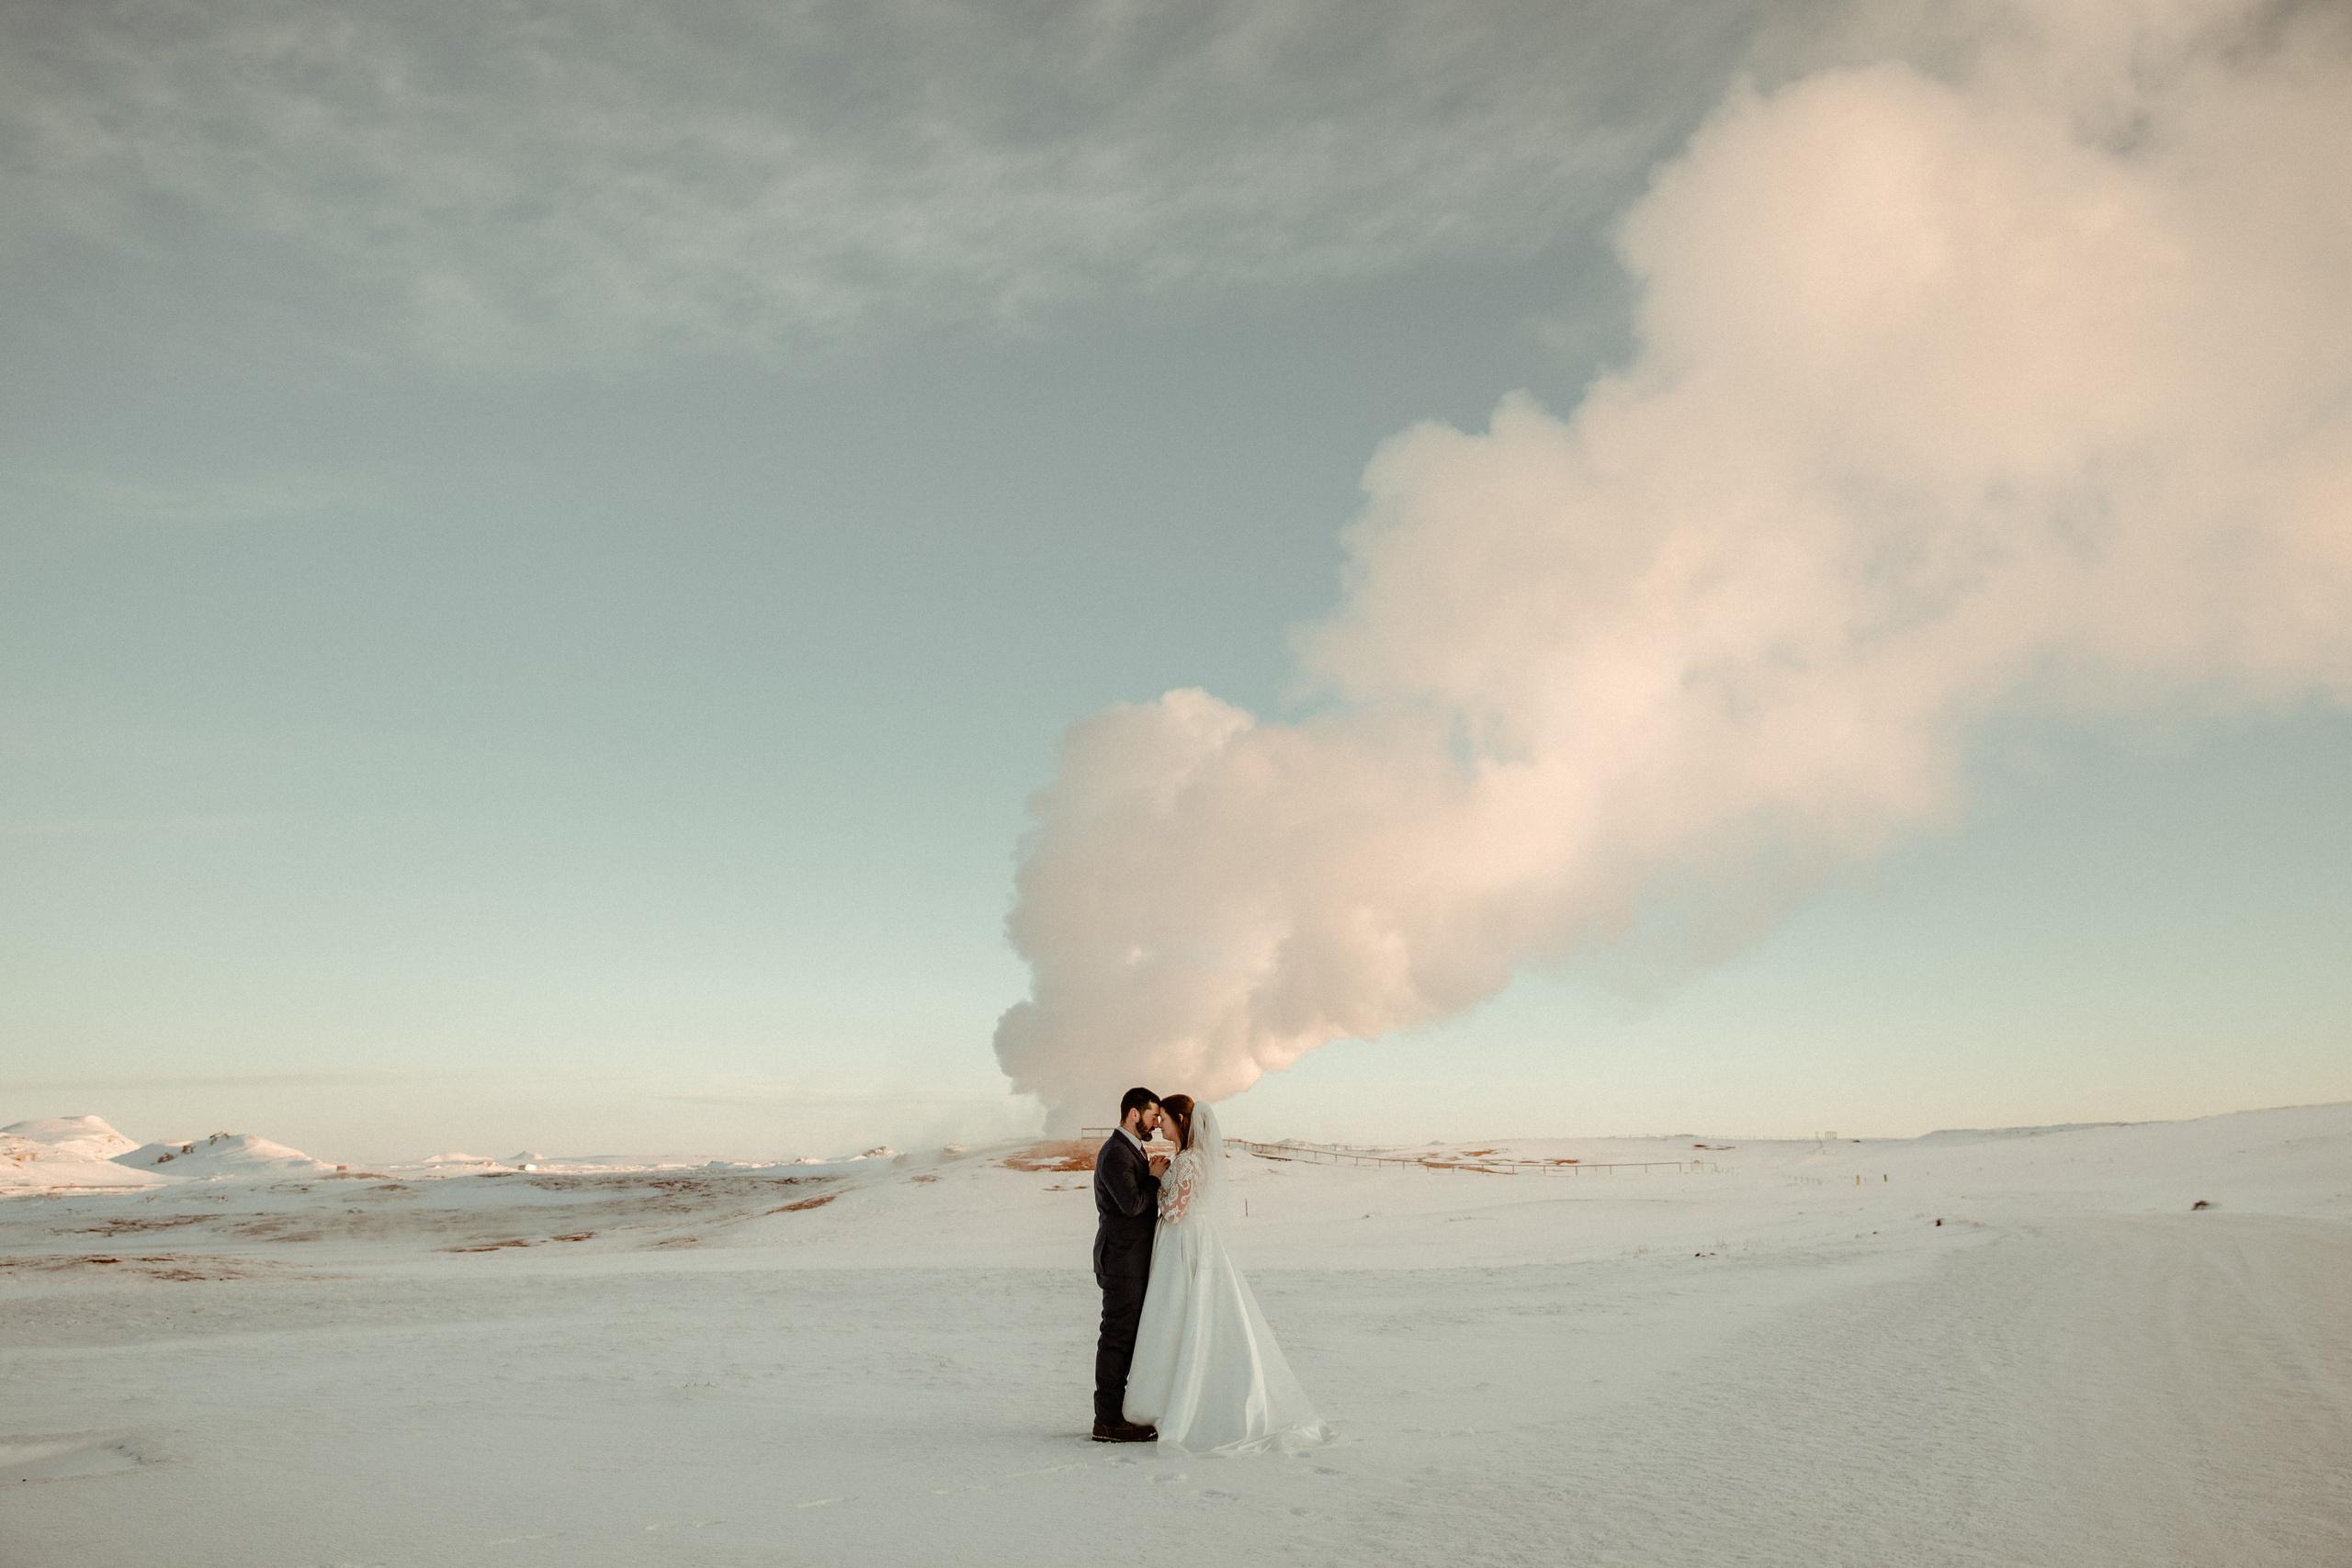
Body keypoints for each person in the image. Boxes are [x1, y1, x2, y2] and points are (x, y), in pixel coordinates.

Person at [1121, 1094, 1330, 1453]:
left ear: (1181, 1123)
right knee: (1177, 1317)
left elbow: (1173, 1210)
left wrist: (1156, 1180)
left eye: (1166, 1119)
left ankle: (1177, 1402)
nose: (1160, 1125)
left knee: (1178, 1315)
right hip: (1184, 1240)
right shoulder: (1184, 1158)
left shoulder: (1188, 1161)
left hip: (1186, 1240)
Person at [1090, 1087, 1169, 1442]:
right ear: (1134, 1113)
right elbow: (1134, 1205)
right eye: (1153, 1115)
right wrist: (1153, 1178)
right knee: (1117, 1339)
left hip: (1131, 1258)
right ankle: (1107, 1420)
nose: (1156, 1122)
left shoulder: (1130, 1149)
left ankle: (1117, 1415)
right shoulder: (1115, 1154)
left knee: (1126, 1338)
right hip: (1121, 1260)